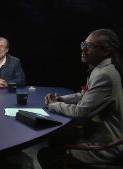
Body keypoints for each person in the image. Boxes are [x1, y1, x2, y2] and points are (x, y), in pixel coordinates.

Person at [38, 29, 123, 169]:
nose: (83, 49)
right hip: (94, 133)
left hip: (103, 145)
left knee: (46, 155)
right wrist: (60, 99)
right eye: (84, 44)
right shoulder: (101, 69)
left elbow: (80, 112)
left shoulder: (105, 75)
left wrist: (53, 105)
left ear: (105, 51)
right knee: (56, 139)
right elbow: (84, 95)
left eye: (90, 46)